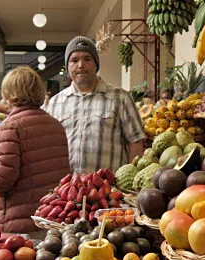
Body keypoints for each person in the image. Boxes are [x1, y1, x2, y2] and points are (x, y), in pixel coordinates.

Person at [0, 66, 70, 234]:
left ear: (9, 93)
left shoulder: (10, 126)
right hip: (52, 217)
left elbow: (2, 180)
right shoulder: (56, 125)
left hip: (20, 221)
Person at [45, 36, 145, 174]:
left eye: (87, 59)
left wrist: (129, 179)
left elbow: (136, 140)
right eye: (74, 60)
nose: (81, 65)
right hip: (67, 190)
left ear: (96, 64)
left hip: (109, 190)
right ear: (68, 67)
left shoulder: (120, 97)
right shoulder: (55, 103)